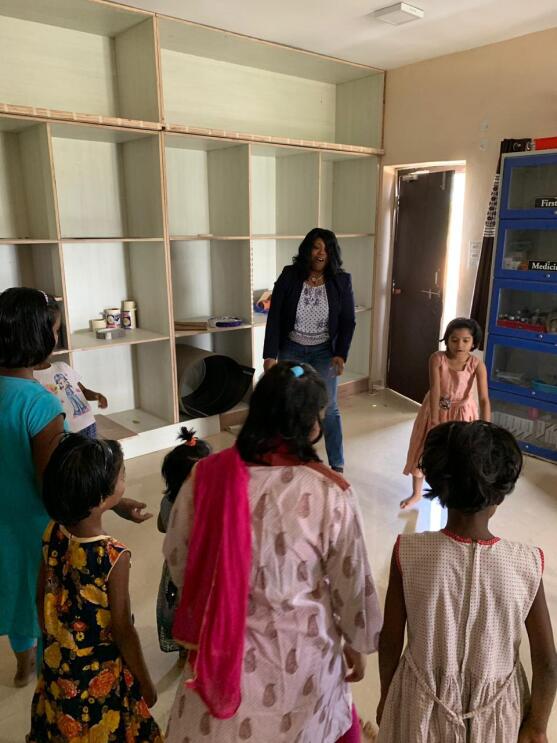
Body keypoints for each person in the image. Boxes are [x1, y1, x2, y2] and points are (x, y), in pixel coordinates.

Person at [164, 361, 382, 743]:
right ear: (312, 425)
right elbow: (353, 585)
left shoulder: (206, 476)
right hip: (302, 660)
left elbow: (179, 560)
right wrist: (356, 642)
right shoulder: (329, 492)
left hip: (219, 658)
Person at [0, 287, 152, 687]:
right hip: (35, 527)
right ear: (36, 338)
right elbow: (58, 484)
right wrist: (111, 503)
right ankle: (46, 660)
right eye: (53, 331)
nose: (56, 338)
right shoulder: (39, 404)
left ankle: (22, 664)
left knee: (12, 589)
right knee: (40, 594)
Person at [377, 421, 557, 742]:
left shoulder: (409, 552)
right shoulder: (526, 564)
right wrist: (537, 725)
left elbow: (390, 640)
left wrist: (387, 696)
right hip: (499, 716)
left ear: (438, 485)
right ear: (501, 495)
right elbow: (547, 662)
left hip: (420, 710)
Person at [28, 434, 163, 742]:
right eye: (122, 476)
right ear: (101, 498)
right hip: (98, 675)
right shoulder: (114, 557)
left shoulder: (53, 530)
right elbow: (123, 629)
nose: (124, 478)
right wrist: (145, 680)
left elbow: (40, 597)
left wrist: (56, 644)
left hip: (58, 664)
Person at [262, 227, 356, 473]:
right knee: (290, 402)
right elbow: (275, 316)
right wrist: (270, 355)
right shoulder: (290, 275)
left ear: (332, 252)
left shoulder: (341, 280)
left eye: (326, 248)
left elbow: (347, 321)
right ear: (307, 249)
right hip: (292, 351)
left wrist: (340, 354)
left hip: (324, 354)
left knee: (330, 407)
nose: (321, 253)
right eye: (316, 247)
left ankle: (337, 465)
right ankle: (293, 458)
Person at [400, 317, 490, 509]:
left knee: (458, 454)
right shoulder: (437, 358)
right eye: (454, 339)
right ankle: (416, 493)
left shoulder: (477, 365)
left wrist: (487, 426)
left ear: (474, 342)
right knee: (423, 450)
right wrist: (434, 420)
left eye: (466, 340)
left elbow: (483, 399)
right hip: (435, 410)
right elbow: (435, 389)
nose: (460, 344)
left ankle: (452, 493)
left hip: (463, 415)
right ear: (446, 340)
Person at [156, 426, 211, 656]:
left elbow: (161, 525)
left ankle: (183, 649)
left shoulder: (169, 502)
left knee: (178, 607)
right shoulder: (207, 508)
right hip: (202, 571)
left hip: (175, 567)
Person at [34, 296, 107, 438]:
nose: (57, 337)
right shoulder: (33, 379)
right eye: (56, 331)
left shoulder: (62, 367)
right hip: (68, 431)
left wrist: (97, 396)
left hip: (88, 423)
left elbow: (82, 390)